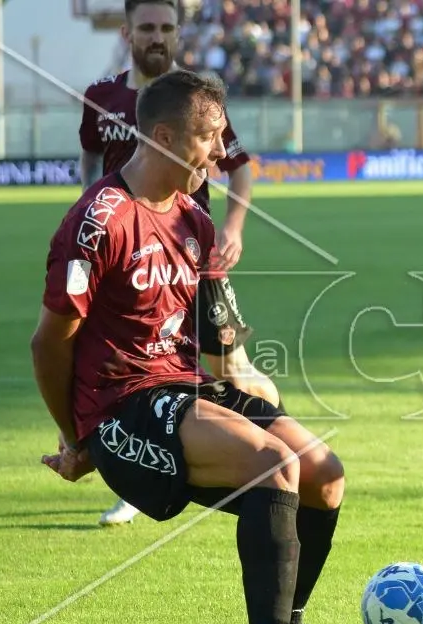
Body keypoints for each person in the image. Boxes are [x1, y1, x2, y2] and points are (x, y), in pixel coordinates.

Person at [34, 69, 350, 624]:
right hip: (125, 406)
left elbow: (223, 352)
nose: (217, 151)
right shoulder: (99, 222)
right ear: (163, 136)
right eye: (208, 137)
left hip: (181, 389)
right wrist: (78, 438)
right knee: (272, 464)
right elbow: (49, 342)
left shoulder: (193, 222)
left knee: (322, 474)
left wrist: (252, 384)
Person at [78, 0, 279, 527]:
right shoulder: (102, 98)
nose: (158, 37)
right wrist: (88, 215)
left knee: (230, 368)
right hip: (125, 256)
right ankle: (136, 478)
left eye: (167, 27)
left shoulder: (196, 100)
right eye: (148, 27)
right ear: (127, 32)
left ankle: (270, 442)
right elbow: (90, 157)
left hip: (193, 255)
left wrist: (232, 229)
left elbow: (239, 166)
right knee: (125, 369)